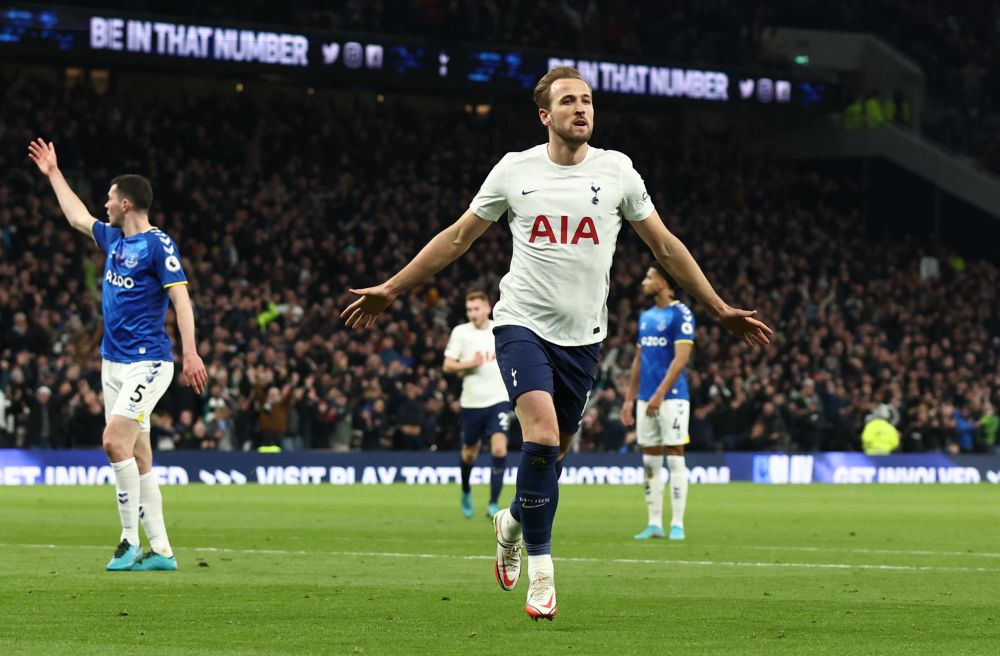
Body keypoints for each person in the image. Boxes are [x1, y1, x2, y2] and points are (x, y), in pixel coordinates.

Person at [340, 66, 772, 621]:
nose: (582, 109)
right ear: (546, 115)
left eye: (588, 100)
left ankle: (513, 521)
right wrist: (393, 289)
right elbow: (457, 237)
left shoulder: (618, 171)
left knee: (552, 456)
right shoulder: (514, 171)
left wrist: (717, 308)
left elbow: (664, 246)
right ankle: (542, 572)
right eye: (569, 101)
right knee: (540, 436)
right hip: (520, 325)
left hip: (583, 340)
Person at [28, 138, 207, 571]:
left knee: (113, 441)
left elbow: (181, 300)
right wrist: (53, 173)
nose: (104, 204)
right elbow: (75, 216)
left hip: (149, 362)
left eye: (109, 198)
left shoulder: (158, 246)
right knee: (139, 454)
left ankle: (128, 541)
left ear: (126, 204)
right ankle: (161, 550)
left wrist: (191, 354)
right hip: (113, 363)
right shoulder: (113, 241)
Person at [621, 265, 694, 541]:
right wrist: (629, 399)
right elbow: (639, 361)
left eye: (649, 277)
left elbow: (682, 359)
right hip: (645, 399)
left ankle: (677, 523)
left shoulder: (681, 314)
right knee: (650, 461)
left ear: (664, 282)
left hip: (672, 399)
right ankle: (654, 523)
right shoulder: (646, 317)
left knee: (675, 455)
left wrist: (660, 393)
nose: (643, 282)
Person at [443, 291, 511, 520]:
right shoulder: (461, 333)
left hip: (498, 399)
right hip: (472, 402)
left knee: (499, 448)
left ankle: (493, 503)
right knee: (469, 453)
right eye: (469, 310)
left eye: (476, 309)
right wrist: (468, 363)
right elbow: (447, 365)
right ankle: (465, 489)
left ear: (487, 308)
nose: (473, 314)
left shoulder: (499, 329)